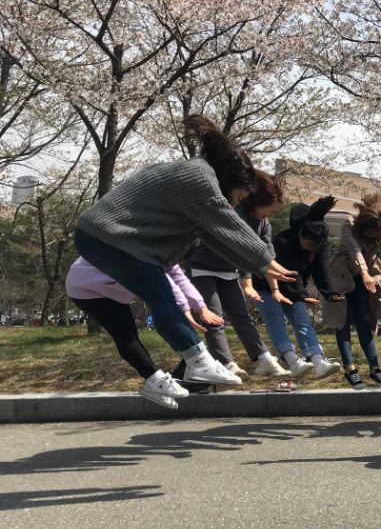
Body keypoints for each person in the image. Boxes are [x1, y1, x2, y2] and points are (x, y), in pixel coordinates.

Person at [73, 114, 296, 406]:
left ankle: (179, 370)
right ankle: (198, 362)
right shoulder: (198, 177)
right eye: (239, 197)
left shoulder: (197, 180)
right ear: (230, 182)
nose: (236, 204)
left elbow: (217, 237)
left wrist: (260, 264)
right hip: (107, 236)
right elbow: (227, 222)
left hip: (112, 239)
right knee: (161, 296)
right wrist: (264, 257)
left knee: (160, 296)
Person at [66, 258, 221, 409]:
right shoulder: (143, 245)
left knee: (130, 335)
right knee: (125, 335)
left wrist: (200, 306)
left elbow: (177, 276)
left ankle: (155, 383)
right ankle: (154, 381)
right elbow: (165, 285)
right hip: (86, 286)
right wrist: (185, 310)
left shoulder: (164, 249)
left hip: (112, 287)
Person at [184, 170, 292, 380]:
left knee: (242, 316)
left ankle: (263, 359)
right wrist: (248, 282)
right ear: (256, 201)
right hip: (202, 267)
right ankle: (225, 363)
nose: (268, 217)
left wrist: (276, 278)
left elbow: (265, 252)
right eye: (267, 212)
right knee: (214, 318)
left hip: (227, 271)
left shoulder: (263, 223)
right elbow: (241, 249)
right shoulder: (236, 214)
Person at [251, 196, 343, 389]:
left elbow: (322, 271)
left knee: (301, 318)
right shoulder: (284, 240)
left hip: (292, 287)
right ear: (300, 233)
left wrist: (330, 292)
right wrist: (301, 294)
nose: (309, 248)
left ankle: (318, 362)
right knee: (275, 317)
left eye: (314, 247)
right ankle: (292, 361)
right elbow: (290, 273)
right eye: (307, 244)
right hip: (264, 284)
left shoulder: (320, 246)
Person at [323, 193, 381, 390]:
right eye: (371, 233)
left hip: (365, 281)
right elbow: (353, 249)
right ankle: (350, 368)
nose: (374, 236)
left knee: (364, 321)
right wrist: (364, 271)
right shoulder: (349, 223)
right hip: (343, 276)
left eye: (377, 233)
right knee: (343, 321)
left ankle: (375, 367)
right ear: (363, 226)